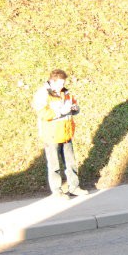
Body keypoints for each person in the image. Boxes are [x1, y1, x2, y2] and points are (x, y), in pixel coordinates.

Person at [32, 69, 88, 199]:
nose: (62, 86)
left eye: (63, 83)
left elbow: (74, 105)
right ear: (52, 81)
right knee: (54, 165)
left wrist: (75, 109)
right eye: (60, 83)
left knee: (71, 163)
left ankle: (74, 187)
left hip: (66, 133)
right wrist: (61, 112)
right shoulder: (43, 94)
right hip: (51, 134)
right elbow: (43, 113)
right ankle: (57, 191)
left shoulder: (65, 92)